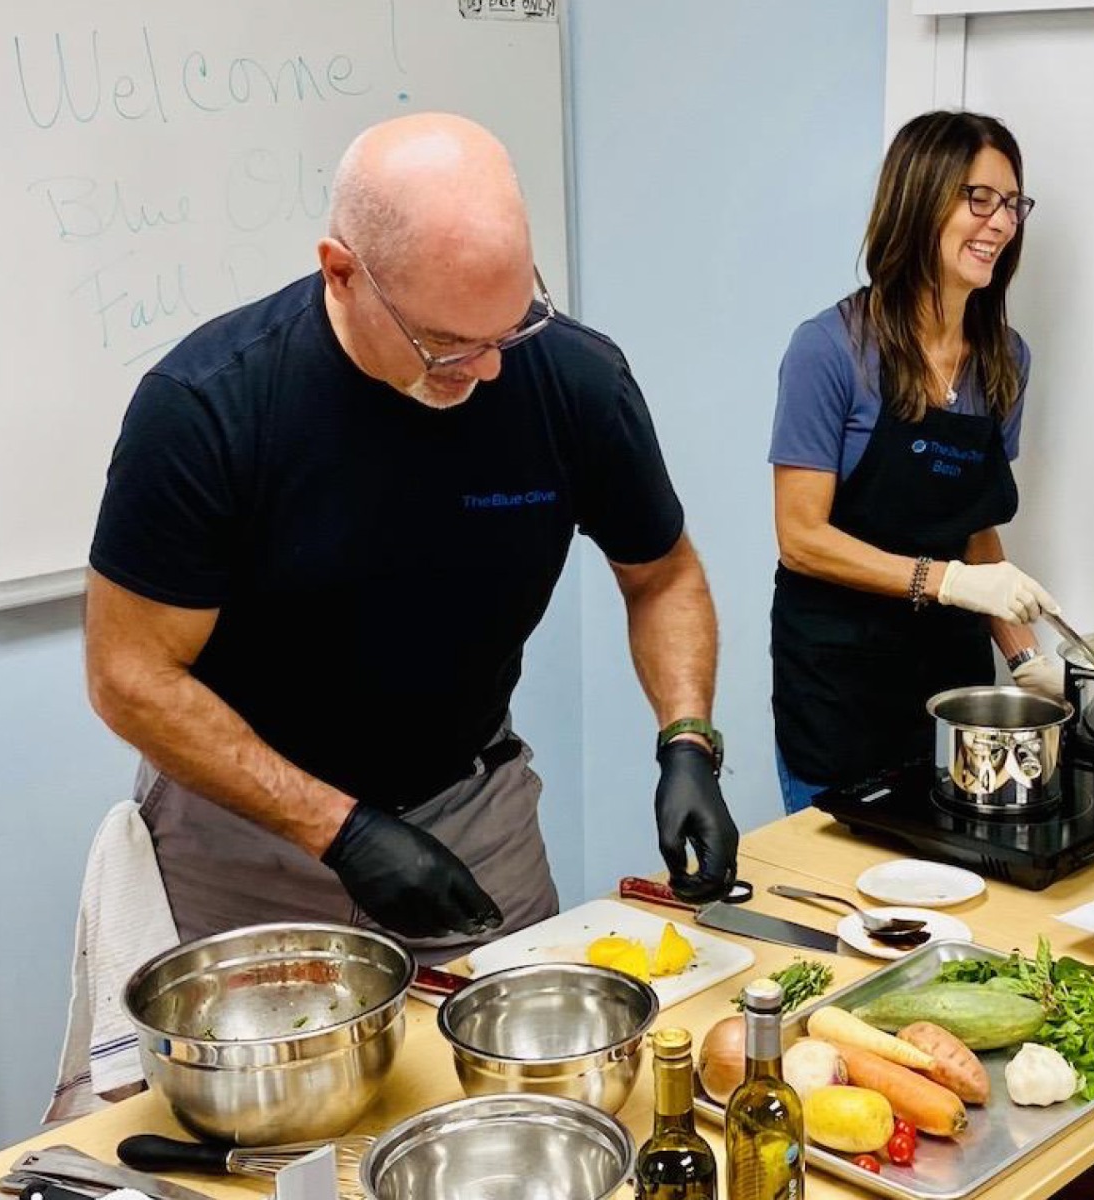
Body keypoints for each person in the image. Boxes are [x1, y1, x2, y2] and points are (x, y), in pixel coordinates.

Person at [84, 113, 739, 961]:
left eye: (512, 326)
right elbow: (129, 676)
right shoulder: (209, 406)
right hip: (242, 838)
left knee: (518, 1079)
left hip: (471, 809)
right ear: (342, 273)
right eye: (448, 343)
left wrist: (686, 740)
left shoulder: (573, 380)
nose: (490, 369)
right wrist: (339, 829)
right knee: (273, 1095)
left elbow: (662, 574)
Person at [769, 109, 1064, 814]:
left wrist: (1025, 657)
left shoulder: (1003, 358)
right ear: (918, 197)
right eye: (978, 198)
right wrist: (948, 583)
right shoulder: (829, 349)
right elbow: (801, 538)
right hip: (839, 681)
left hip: (951, 681)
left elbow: (973, 525)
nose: (999, 223)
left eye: (1012, 204)